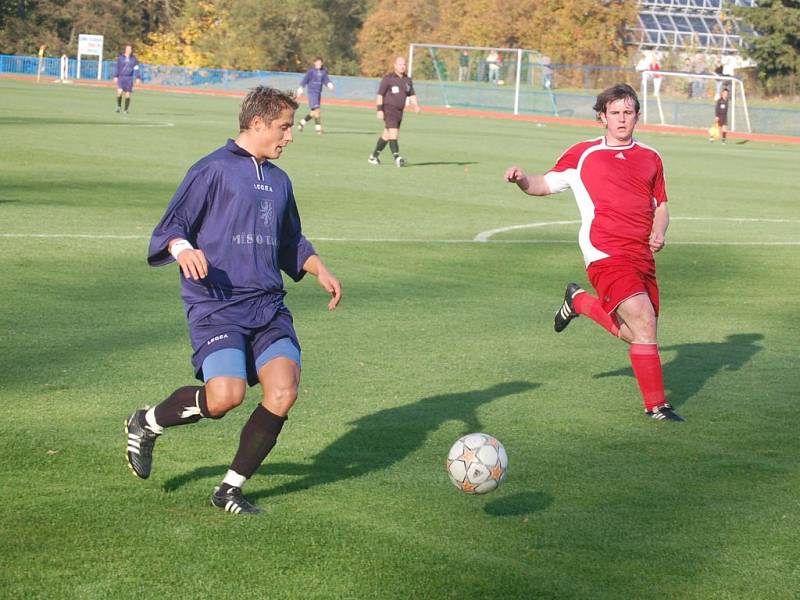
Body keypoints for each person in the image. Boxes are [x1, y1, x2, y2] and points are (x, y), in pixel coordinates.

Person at [124, 86, 343, 515]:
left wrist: (320, 270)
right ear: (257, 123)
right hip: (218, 304)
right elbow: (172, 226)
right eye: (283, 127)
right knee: (224, 398)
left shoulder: (279, 180)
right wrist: (183, 249)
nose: (290, 136)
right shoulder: (213, 170)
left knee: (283, 390)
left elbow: (290, 240)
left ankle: (229, 489)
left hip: (267, 306)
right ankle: (146, 422)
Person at [504, 83, 683, 422]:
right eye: (614, 113)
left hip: (641, 255)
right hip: (605, 251)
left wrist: (660, 230)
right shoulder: (583, 154)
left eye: (627, 113)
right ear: (602, 118)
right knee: (644, 320)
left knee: (638, 333)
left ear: (637, 116)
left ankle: (579, 301)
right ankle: (657, 407)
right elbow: (544, 185)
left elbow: (661, 205)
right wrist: (522, 179)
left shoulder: (651, 157)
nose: (621, 119)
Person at [368, 56, 420, 167]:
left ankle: (374, 157)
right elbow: (380, 95)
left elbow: (412, 94)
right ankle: (397, 157)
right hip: (389, 109)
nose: (402, 66)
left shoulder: (407, 80)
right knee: (394, 133)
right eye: (400, 64)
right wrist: (379, 110)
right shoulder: (388, 79)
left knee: (386, 135)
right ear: (395, 65)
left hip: (399, 112)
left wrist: (416, 105)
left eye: (404, 64)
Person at [296, 57, 335, 135]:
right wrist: (300, 88)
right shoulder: (311, 72)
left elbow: (326, 80)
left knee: (313, 112)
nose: (319, 64)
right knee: (317, 110)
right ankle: (318, 129)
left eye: (320, 63)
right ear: (314, 63)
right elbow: (304, 80)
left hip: (318, 93)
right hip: (312, 93)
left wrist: (329, 85)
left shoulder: (323, 72)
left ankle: (301, 123)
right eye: (317, 63)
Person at [113, 45, 141, 114]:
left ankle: (126, 109)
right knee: (119, 92)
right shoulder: (121, 58)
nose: (129, 51)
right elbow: (117, 67)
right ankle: (119, 106)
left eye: (130, 49)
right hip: (121, 77)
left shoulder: (134, 59)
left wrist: (138, 77)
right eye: (128, 49)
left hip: (129, 78)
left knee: (128, 94)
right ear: (125, 50)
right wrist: (116, 76)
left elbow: (136, 68)